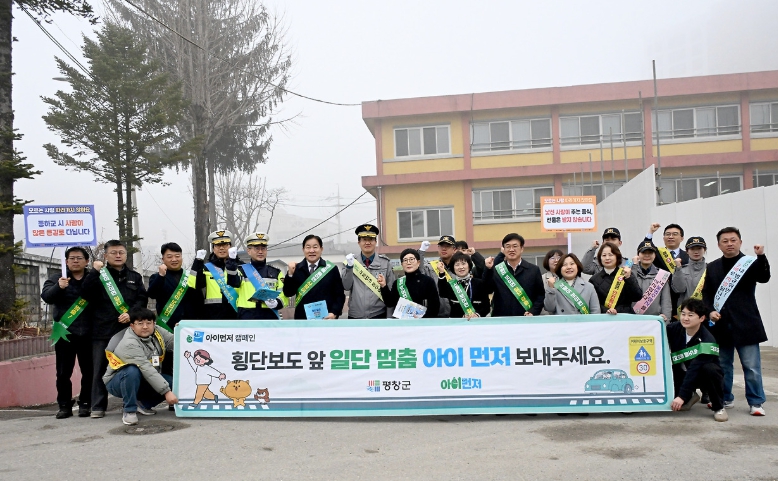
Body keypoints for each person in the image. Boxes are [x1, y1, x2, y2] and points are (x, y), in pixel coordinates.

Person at [702, 227, 770, 416]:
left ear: (740, 242)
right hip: (721, 325)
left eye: (733, 240)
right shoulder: (712, 266)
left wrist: (761, 256)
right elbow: (706, 294)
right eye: (725, 241)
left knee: (752, 367)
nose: (729, 244)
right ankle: (725, 398)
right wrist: (710, 311)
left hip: (746, 323)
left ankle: (756, 402)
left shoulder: (749, 263)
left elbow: (764, 277)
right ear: (719, 245)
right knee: (723, 366)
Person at [81, 240, 147, 419]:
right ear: (106, 255)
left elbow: (142, 299)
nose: (118, 256)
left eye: (121, 252)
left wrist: (131, 314)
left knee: (134, 367)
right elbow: (85, 293)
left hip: (128, 331)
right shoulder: (98, 275)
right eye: (114, 253)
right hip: (102, 330)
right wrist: (94, 272)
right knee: (100, 369)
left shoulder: (135, 276)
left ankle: (134, 403)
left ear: (125, 255)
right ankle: (98, 406)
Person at [41, 246, 93, 419]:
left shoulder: (93, 278)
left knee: (89, 371)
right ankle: (64, 405)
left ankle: (85, 403)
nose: (75, 261)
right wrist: (59, 287)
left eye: (79, 258)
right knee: (63, 372)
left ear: (87, 261)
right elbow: (47, 297)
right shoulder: (57, 278)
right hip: (64, 333)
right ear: (66, 261)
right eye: (72, 258)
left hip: (88, 333)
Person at [103, 308, 177, 426]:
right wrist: (167, 392)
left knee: (173, 383)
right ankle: (129, 411)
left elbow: (175, 342)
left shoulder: (158, 331)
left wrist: (181, 331)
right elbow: (146, 368)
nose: (145, 327)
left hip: (143, 378)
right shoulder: (129, 343)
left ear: (154, 323)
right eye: (140, 323)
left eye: (148, 323)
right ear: (132, 326)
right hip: (117, 382)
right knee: (132, 371)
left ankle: (142, 405)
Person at [668, 299, 727, 422]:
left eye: (691, 315)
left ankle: (719, 407)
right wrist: (658, 320)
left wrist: (681, 396)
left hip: (701, 376)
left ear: (701, 318)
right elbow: (656, 332)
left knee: (710, 369)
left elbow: (694, 369)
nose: (685, 318)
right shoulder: (675, 328)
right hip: (680, 372)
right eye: (683, 314)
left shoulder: (707, 340)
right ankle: (690, 396)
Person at [283, 234, 346, 319]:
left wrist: (334, 313)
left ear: (321, 249)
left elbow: (339, 295)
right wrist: (290, 274)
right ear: (303, 250)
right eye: (308, 247)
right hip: (302, 319)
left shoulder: (331, 269)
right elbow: (288, 293)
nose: (311, 251)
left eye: (315, 247)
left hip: (326, 319)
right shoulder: (296, 269)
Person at [482, 233, 545, 317]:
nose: (511, 249)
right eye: (508, 246)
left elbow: (540, 295)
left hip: (526, 318)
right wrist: (488, 269)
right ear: (503, 250)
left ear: (522, 249)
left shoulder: (533, 270)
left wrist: (533, 311)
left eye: (515, 246)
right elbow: (487, 289)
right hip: (501, 318)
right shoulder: (496, 269)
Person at [341, 224, 395, 319]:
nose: (367, 243)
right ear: (359, 242)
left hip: (378, 315)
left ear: (376, 242)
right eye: (364, 240)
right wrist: (349, 267)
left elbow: (391, 291)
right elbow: (346, 286)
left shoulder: (385, 263)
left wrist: (390, 317)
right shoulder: (351, 261)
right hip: (355, 316)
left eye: (371, 239)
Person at [147, 242, 202, 329]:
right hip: (167, 325)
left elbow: (199, 300)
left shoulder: (190, 276)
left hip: (190, 326)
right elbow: (152, 294)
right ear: (163, 259)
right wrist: (161, 276)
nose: (174, 259)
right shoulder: (157, 277)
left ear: (181, 257)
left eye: (177, 256)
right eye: (169, 257)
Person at [235, 233, 288, 320]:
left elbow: (283, 295)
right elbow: (233, 289)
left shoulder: (276, 273)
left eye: (263, 248)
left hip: (269, 318)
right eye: (256, 248)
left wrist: (277, 302)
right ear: (248, 251)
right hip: (246, 318)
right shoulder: (240, 271)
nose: (260, 252)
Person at [191, 230, 240, 320]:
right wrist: (197, 262)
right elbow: (194, 285)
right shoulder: (205, 268)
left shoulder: (241, 267)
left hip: (236, 316)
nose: (221, 248)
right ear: (213, 249)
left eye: (225, 245)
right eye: (218, 245)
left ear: (230, 247)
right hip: (212, 317)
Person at [379, 248, 439, 319]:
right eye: (405, 260)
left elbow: (435, 307)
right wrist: (384, 286)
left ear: (418, 262)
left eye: (411, 259)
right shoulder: (398, 282)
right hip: (403, 323)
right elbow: (390, 303)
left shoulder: (428, 281)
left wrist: (423, 319)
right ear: (402, 264)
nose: (408, 262)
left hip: (424, 322)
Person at [645, 223, 689, 317]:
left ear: (682, 238)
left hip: (682, 298)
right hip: (661, 298)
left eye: (675, 234)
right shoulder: (657, 253)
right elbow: (646, 246)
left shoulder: (688, 256)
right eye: (668, 234)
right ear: (663, 238)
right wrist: (651, 232)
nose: (671, 237)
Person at [588, 242, 642, 314]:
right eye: (604, 255)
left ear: (617, 256)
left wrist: (629, 278)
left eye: (610, 255)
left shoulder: (626, 274)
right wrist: (606, 310)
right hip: (604, 317)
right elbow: (592, 303)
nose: (607, 258)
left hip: (625, 317)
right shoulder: (594, 279)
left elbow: (637, 297)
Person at [435, 251, 490, 318]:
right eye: (457, 265)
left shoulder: (479, 283)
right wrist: (441, 273)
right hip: (456, 322)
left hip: (476, 321)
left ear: (469, 266)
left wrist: (477, 315)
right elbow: (442, 293)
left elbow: (486, 306)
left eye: (463, 264)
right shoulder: (451, 284)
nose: (461, 267)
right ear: (453, 268)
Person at [631, 241, 672, 322]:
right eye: (643, 253)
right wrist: (634, 267)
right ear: (638, 255)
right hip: (633, 319)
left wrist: (666, 321)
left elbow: (666, 301)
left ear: (655, 255)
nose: (647, 255)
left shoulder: (661, 275)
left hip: (654, 320)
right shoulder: (630, 272)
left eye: (650, 253)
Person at [671, 236, 708, 307]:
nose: (696, 252)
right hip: (686, 310)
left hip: (705, 310)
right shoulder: (681, 269)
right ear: (687, 251)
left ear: (704, 250)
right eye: (692, 249)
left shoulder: (710, 269)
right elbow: (679, 289)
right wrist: (678, 269)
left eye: (699, 248)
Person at [540, 249, 563, 315]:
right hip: (548, 316)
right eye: (552, 258)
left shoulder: (567, 278)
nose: (556, 260)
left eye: (559, 257)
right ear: (547, 261)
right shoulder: (542, 278)